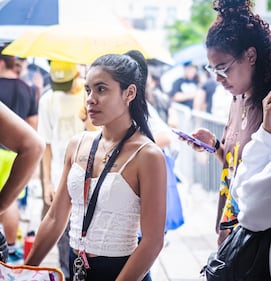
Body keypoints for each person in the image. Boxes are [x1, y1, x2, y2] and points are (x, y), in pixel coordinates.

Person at [25, 50, 167, 281]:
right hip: (77, 267)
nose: (90, 98)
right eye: (88, 89)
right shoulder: (78, 144)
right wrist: (24, 270)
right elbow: (55, 218)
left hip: (124, 271)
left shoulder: (148, 155)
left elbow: (152, 242)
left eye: (101, 89)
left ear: (129, 93)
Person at [181, 0, 271, 246]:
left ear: (250, 56)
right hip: (231, 236)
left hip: (255, 240)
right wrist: (215, 146)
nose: (219, 79)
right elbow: (238, 167)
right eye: (212, 70)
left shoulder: (268, 106)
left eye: (223, 69)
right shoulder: (238, 97)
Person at [38, 60, 86, 280]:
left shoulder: (90, 94)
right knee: (61, 235)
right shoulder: (48, 99)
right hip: (59, 176)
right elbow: (45, 144)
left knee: (83, 235)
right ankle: (65, 274)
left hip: (87, 179)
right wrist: (46, 182)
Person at [0, 46, 38, 263]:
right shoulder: (27, 88)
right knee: (10, 201)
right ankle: (12, 247)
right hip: (14, 154)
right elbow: (33, 127)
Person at [0, 101, 45, 261]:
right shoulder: (26, 90)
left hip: (7, 154)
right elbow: (33, 140)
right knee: (11, 206)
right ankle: (12, 247)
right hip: (8, 155)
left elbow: (34, 146)